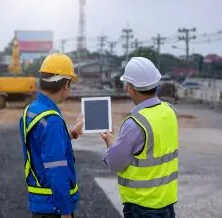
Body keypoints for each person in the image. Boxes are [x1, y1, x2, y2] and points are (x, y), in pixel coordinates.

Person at [100, 57, 179, 218]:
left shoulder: (135, 124)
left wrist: (110, 142)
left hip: (142, 208)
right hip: (167, 204)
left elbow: (116, 164)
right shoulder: (170, 112)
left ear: (130, 88)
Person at [19, 53, 84, 218]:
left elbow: (41, 145)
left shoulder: (32, 110)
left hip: (39, 200)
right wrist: (65, 211)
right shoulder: (52, 119)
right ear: (65, 85)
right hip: (53, 207)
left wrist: (71, 133)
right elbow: (56, 168)